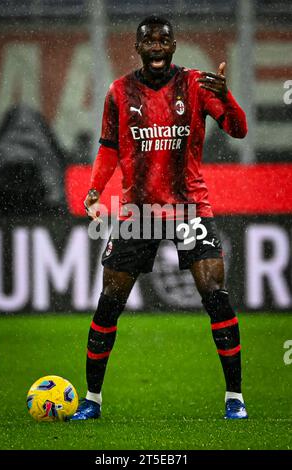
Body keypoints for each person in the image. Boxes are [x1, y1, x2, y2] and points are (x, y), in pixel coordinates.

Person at [71, 15, 248, 421]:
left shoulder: (199, 85)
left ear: (173, 46)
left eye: (162, 40)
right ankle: (91, 401)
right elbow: (109, 148)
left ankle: (234, 398)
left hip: (189, 207)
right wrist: (96, 189)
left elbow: (238, 130)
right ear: (137, 47)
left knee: (216, 297)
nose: (155, 45)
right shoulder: (119, 91)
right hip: (139, 211)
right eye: (147, 40)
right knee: (108, 304)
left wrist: (229, 96)